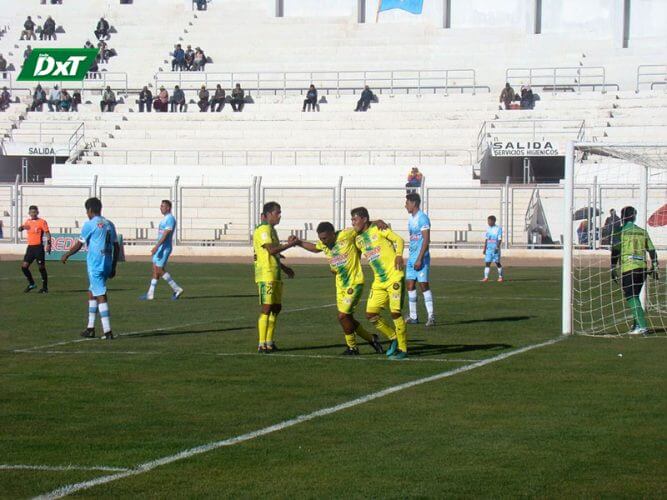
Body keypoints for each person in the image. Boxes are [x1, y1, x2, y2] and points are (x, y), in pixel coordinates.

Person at [292, 222, 384, 355]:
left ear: (333, 234)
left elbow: (362, 226)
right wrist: (298, 242)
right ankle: (372, 339)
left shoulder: (346, 234)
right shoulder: (324, 244)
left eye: (325, 238)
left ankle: (352, 347)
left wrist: (377, 222)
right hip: (340, 285)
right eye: (320, 238)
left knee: (342, 316)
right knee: (347, 319)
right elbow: (314, 248)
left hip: (354, 283)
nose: (322, 241)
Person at [351, 207, 408, 360]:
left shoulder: (378, 228)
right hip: (379, 281)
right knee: (371, 314)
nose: (353, 223)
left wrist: (398, 255)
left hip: (394, 276)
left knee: (395, 312)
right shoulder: (358, 239)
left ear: (363, 219)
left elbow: (399, 240)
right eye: (352, 220)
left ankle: (403, 349)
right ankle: (393, 337)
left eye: (355, 219)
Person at [61, 197, 119, 340]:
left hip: (95, 264)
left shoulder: (90, 224)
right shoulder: (109, 224)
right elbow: (116, 246)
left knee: (100, 293)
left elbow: (80, 244)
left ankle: (107, 331)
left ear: (90, 210)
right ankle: (90, 328)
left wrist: (67, 254)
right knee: (92, 291)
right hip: (107, 262)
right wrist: (113, 265)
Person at [253, 202, 297, 353]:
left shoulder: (271, 230)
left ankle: (270, 342)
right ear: (268, 214)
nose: (279, 215)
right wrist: (290, 245)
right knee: (266, 308)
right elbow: (271, 250)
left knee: (276, 308)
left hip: (275, 273)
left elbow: (274, 254)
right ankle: (261, 343)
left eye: (280, 212)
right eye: (277, 213)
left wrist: (285, 268)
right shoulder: (263, 229)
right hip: (266, 274)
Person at [611, 206, 659, 335]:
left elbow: (615, 250)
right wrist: (654, 265)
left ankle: (643, 327)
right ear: (634, 216)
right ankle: (636, 326)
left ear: (622, 217)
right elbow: (652, 250)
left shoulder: (619, 232)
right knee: (635, 296)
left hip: (629, 267)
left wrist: (612, 267)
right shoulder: (642, 231)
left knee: (631, 296)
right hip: (642, 268)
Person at [140, 200, 184, 301]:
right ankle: (150, 294)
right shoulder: (165, 219)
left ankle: (176, 288)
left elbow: (166, 234)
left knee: (159, 270)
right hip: (160, 247)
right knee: (155, 269)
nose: (161, 207)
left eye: (163, 206)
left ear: (168, 208)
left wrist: (157, 246)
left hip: (164, 248)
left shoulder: (170, 219)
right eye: (161, 206)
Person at [404, 193, 435, 326]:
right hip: (411, 258)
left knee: (423, 286)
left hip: (421, 259)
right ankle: (413, 316)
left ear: (414, 203)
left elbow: (426, 239)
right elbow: (413, 238)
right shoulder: (411, 219)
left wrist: (420, 258)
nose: (405, 205)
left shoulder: (422, 218)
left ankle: (431, 316)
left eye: (407, 203)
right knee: (410, 286)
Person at [19, 205, 51, 293]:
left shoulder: (42, 222)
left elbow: (47, 233)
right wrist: (21, 228)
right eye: (31, 212)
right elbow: (21, 228)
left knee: (41, 267)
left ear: (37, 212)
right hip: (30, 248)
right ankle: (31, 284)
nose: (33, 214)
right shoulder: (28, 221)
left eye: (34, 212)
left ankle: (45, 288)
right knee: (24, 267)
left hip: (38, 248)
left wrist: (49, 244)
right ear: (29, 213)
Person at [482, 215, 504, 282]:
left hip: (495, 249)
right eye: (488, 221)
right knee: (487, 263)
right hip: (489, 249)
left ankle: (500, 277)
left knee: (497, 263)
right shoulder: (488, 229)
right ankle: (486, 277)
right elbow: (486, 239)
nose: (488, 222)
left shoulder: (498, 229)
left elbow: (500, 239)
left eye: (489, 221)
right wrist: (485, 248)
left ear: (493, 221)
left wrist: (497, 247)